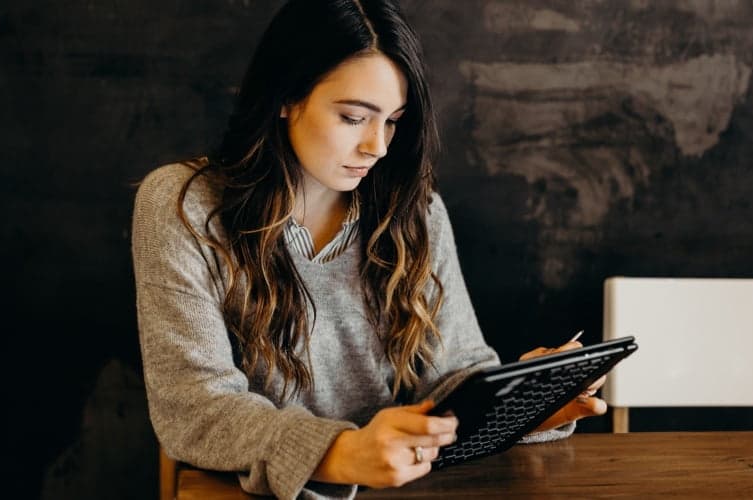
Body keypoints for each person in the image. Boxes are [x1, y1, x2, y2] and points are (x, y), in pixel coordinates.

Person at [132, 1, 607, 498]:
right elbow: (195, 407)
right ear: (286, 97)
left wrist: (521, 406)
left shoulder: (416, 212)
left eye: (393, 121)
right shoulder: (183, 205)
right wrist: (341, 452)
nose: (377, 147)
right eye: (354, 117)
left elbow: (451, 380)